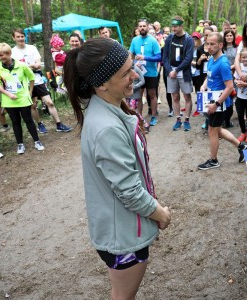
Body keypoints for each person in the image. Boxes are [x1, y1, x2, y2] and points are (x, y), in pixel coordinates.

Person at [63, 38, 171, 299]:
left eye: (132, 67)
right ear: (101, 83)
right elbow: (130, 191)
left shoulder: (104, 111)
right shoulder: (107, 127)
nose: (136, 75)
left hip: (120, 230)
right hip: (124, 238)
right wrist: (161, 214)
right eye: (126, 73)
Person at [198, 32, 247, 170]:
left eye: (212, 44)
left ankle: (214, 160)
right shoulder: (211, 59)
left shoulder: (224, 63)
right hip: (211, 100)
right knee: (217, 130)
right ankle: (241, 146)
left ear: (220, 45)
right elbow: (209, 76)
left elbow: (230, 87)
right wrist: (203, 85)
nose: (209, 47)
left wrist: (217, 104)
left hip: (219, 103)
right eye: (207, 43)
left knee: (213, 131)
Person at [11, 29, 72, 134]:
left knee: (50, 102)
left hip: (38, 80)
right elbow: (17, 67)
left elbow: (38, 64)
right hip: (25, 82)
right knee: (33, 105)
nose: (21, 38)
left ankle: (59, 124)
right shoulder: (13, 52)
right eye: (18, 37)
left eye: (22, 36)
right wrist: (31, 65)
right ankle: (39, 124)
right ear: (14, 38)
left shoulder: (32, 48)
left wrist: (29, 66)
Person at [0, 43, 45, 154]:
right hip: (9, 100)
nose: (0, 57)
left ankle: (37, 141)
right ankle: (20, 144)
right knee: (15, 122)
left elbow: (31, 77)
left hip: (23, 98)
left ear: (9, 54)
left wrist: (30, 91)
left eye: (2, 55)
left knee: (28, 120)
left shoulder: (21, 65)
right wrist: (7, 93)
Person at [162, 16, 194, 131]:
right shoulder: (170, 38)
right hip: (171, 71)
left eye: (175, 26)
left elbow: (189, 58)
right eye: (172, 26)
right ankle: (178, 119)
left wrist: (177, 70)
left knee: (187, 96)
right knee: (174, 96)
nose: (173, 28)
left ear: (181, 26)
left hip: (183, 72)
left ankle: (186, 120)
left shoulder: (188, 39)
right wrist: (170, 70)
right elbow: (164, 56)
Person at [129, 19, 162, 127]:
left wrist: (145, 57)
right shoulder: (135, 40)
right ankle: (139, 117)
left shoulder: (153, 40)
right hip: (139, 73)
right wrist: (132, 64)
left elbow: (159, 57)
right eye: (140, 26)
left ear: (147, 27)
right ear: (138, 28)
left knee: (152, 95)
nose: (142, 28)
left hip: (151, 73)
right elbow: (131, 54)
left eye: (144, 26)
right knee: (138, 96)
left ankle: (153, 116)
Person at [234, 48, 247, 143]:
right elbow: (235, 79)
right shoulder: (239, 67)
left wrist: (245, 84)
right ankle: (243, 132)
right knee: (240, 115)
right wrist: (237, 82)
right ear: (240, 58)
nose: (245, 59)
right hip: (240, 97)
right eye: (244, 57)